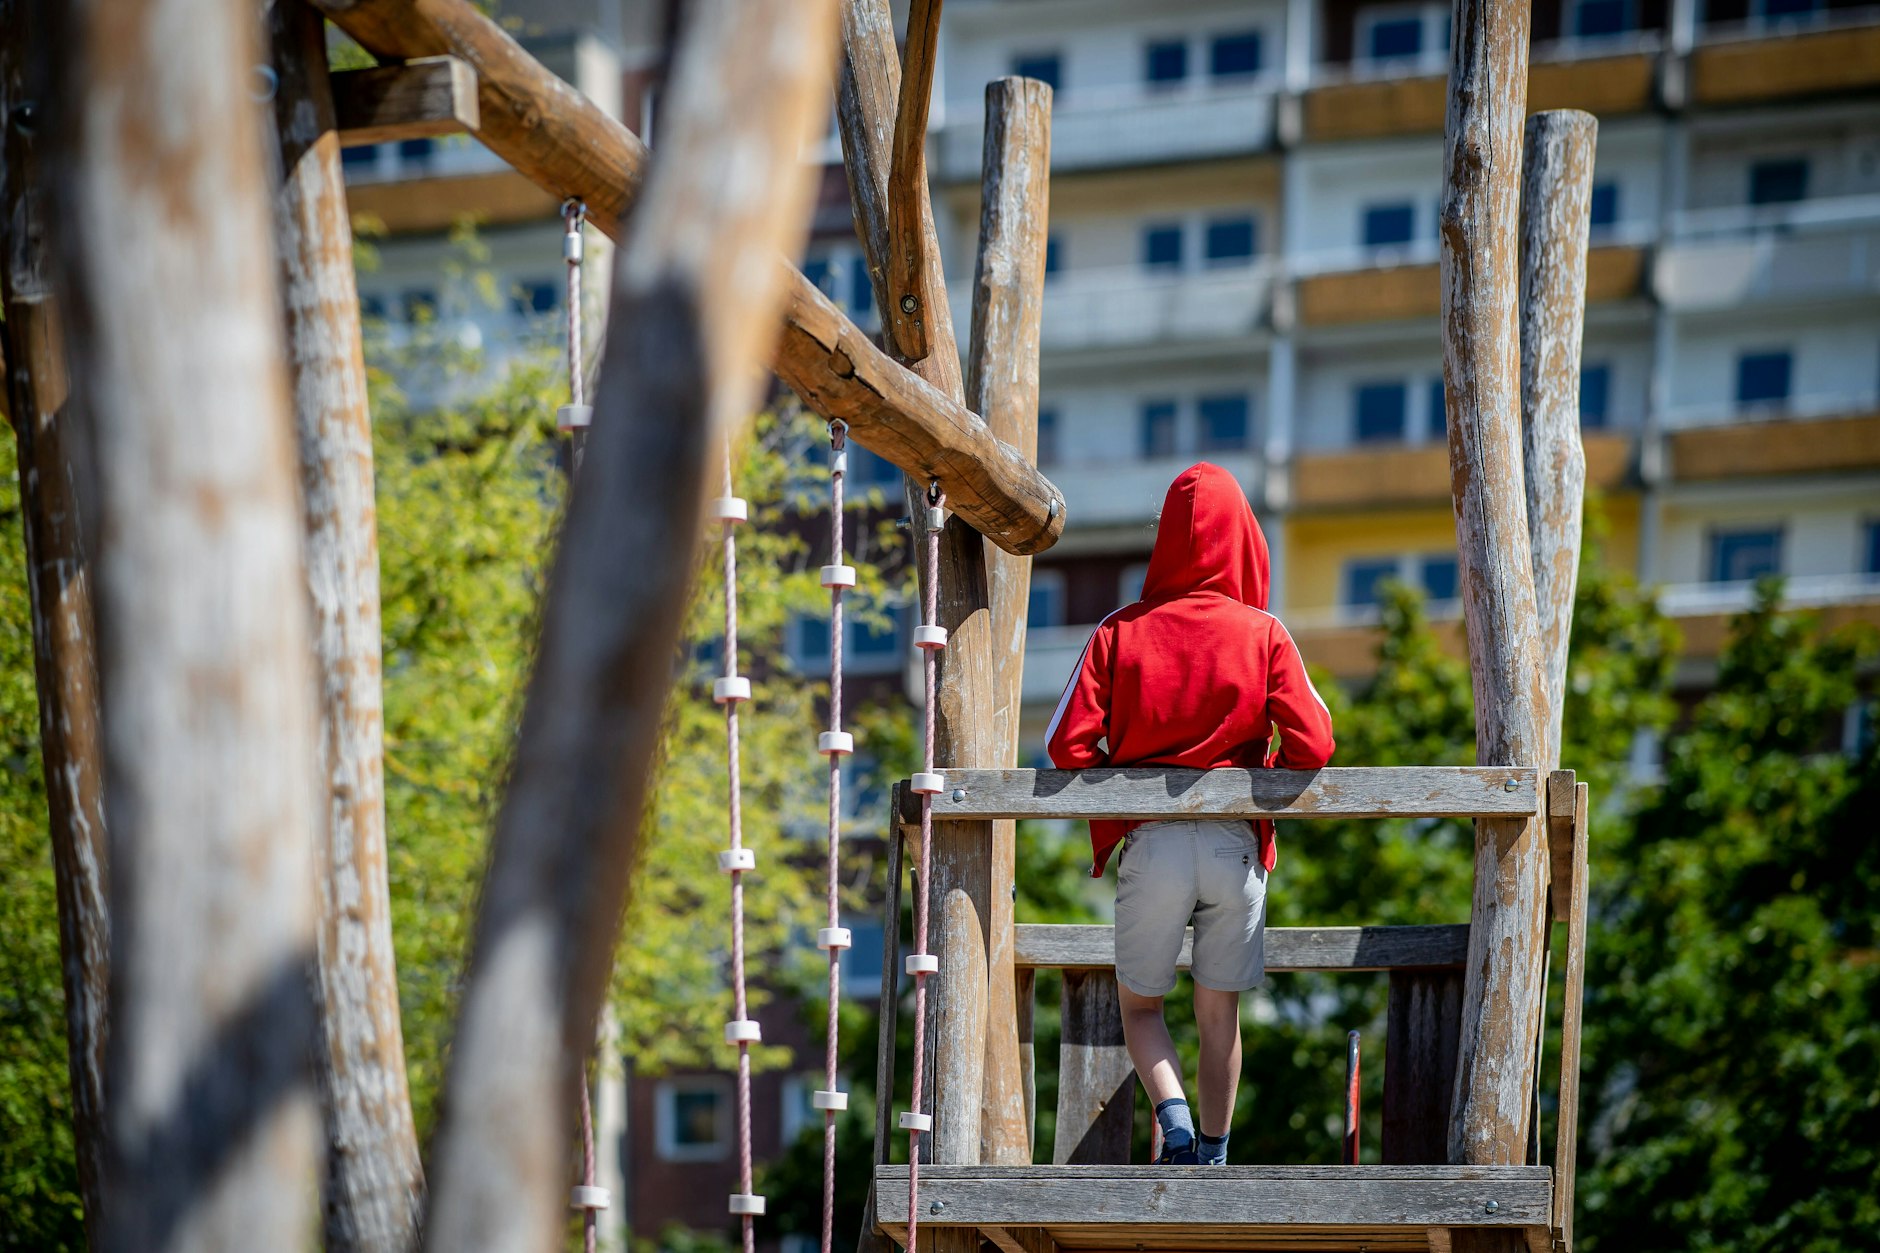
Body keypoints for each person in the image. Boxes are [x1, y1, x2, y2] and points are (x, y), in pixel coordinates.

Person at [1045, 462, 1335, 1165]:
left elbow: (1065, 745)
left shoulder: (1118, 631)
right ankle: (1213, 1153)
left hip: (1153, 847)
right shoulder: (1264, 632)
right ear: (1244, 537)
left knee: (1141, 1007)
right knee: (1219, 1014)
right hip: (1235, 846)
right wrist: (1259, 772)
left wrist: (1128, 768)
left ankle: (1173, 1126)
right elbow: (1316, 743)